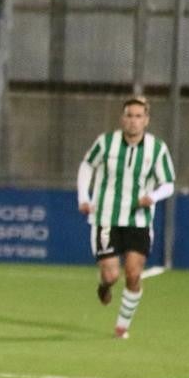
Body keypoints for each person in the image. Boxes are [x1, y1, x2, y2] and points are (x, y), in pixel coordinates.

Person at [76, 96, 175, 339]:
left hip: (138, 221)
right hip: (106, 218)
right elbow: (87, 166)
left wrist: (152, 197)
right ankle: (104, 286)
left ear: (146, 120)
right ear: (122, 118)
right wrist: (83, 197)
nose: (133, 121)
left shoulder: (157, 148)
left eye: (138, 116)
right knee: (111, 275)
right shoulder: (106, 142)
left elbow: (168, 184)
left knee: (133, 273)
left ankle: (122, 326)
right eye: (129, 115)